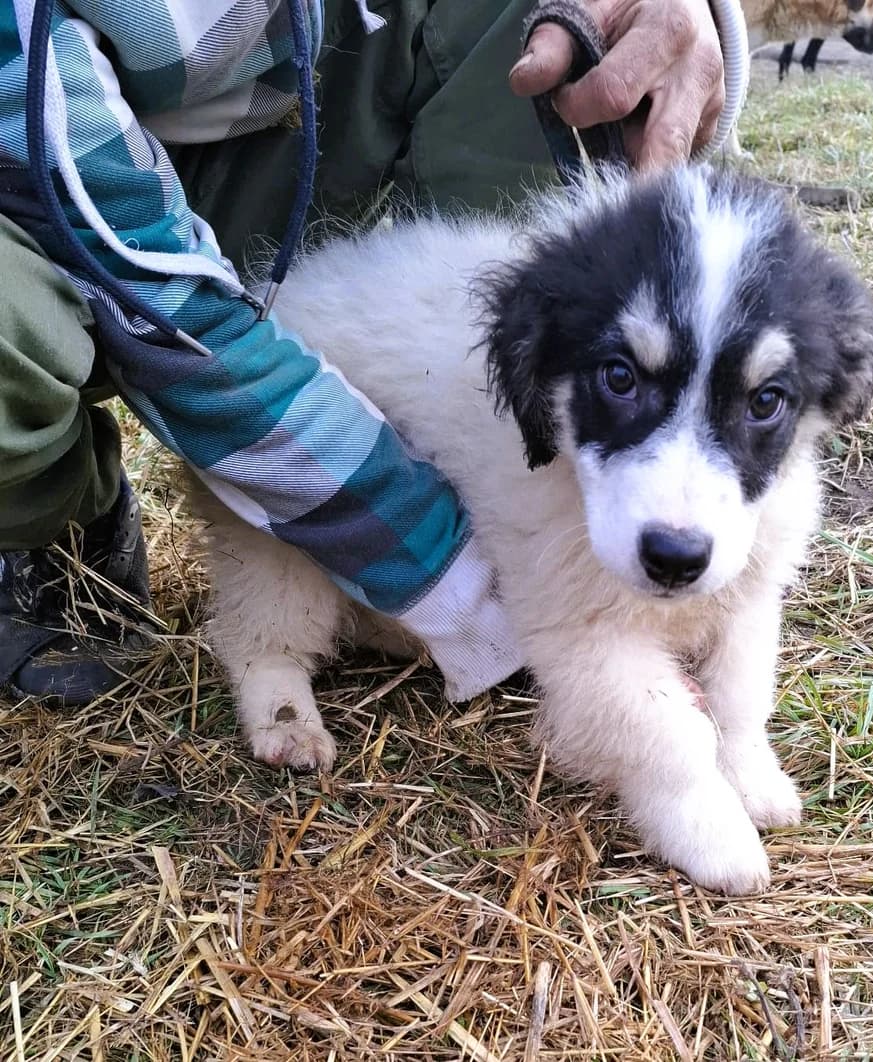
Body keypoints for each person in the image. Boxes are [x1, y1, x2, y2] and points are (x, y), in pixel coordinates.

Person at [0, 0, 729, 705]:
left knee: (553, 22)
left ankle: (513, 488)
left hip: (285, 82)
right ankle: (51, 521)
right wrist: (459, 594)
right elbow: (156, 295)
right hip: (46, 169)